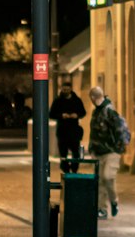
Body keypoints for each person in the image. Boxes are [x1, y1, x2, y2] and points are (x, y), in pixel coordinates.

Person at [87, 85, 129, 219]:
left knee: (108, 177)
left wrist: (118, 149)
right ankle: (102, 209)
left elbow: (120, 130)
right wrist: (92, 148)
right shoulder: (96, 112)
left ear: (92, 98)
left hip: (111, 152)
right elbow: (93, 133)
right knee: (99, 181)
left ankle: (114, 201)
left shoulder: (110, 111)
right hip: (99, 152)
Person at [49, 79, 86, 173]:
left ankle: (74, 169)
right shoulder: (57, 101)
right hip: (62, 130)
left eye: (67, 89)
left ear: (70, 89)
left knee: (76, 152)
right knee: (63, 153)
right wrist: (61, 115)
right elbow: (51, 114)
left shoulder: (76, 100)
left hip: (74, 130)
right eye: (64, 90)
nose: (65, 91)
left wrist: (76, 115)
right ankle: (65, 169)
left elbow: (83, 112)